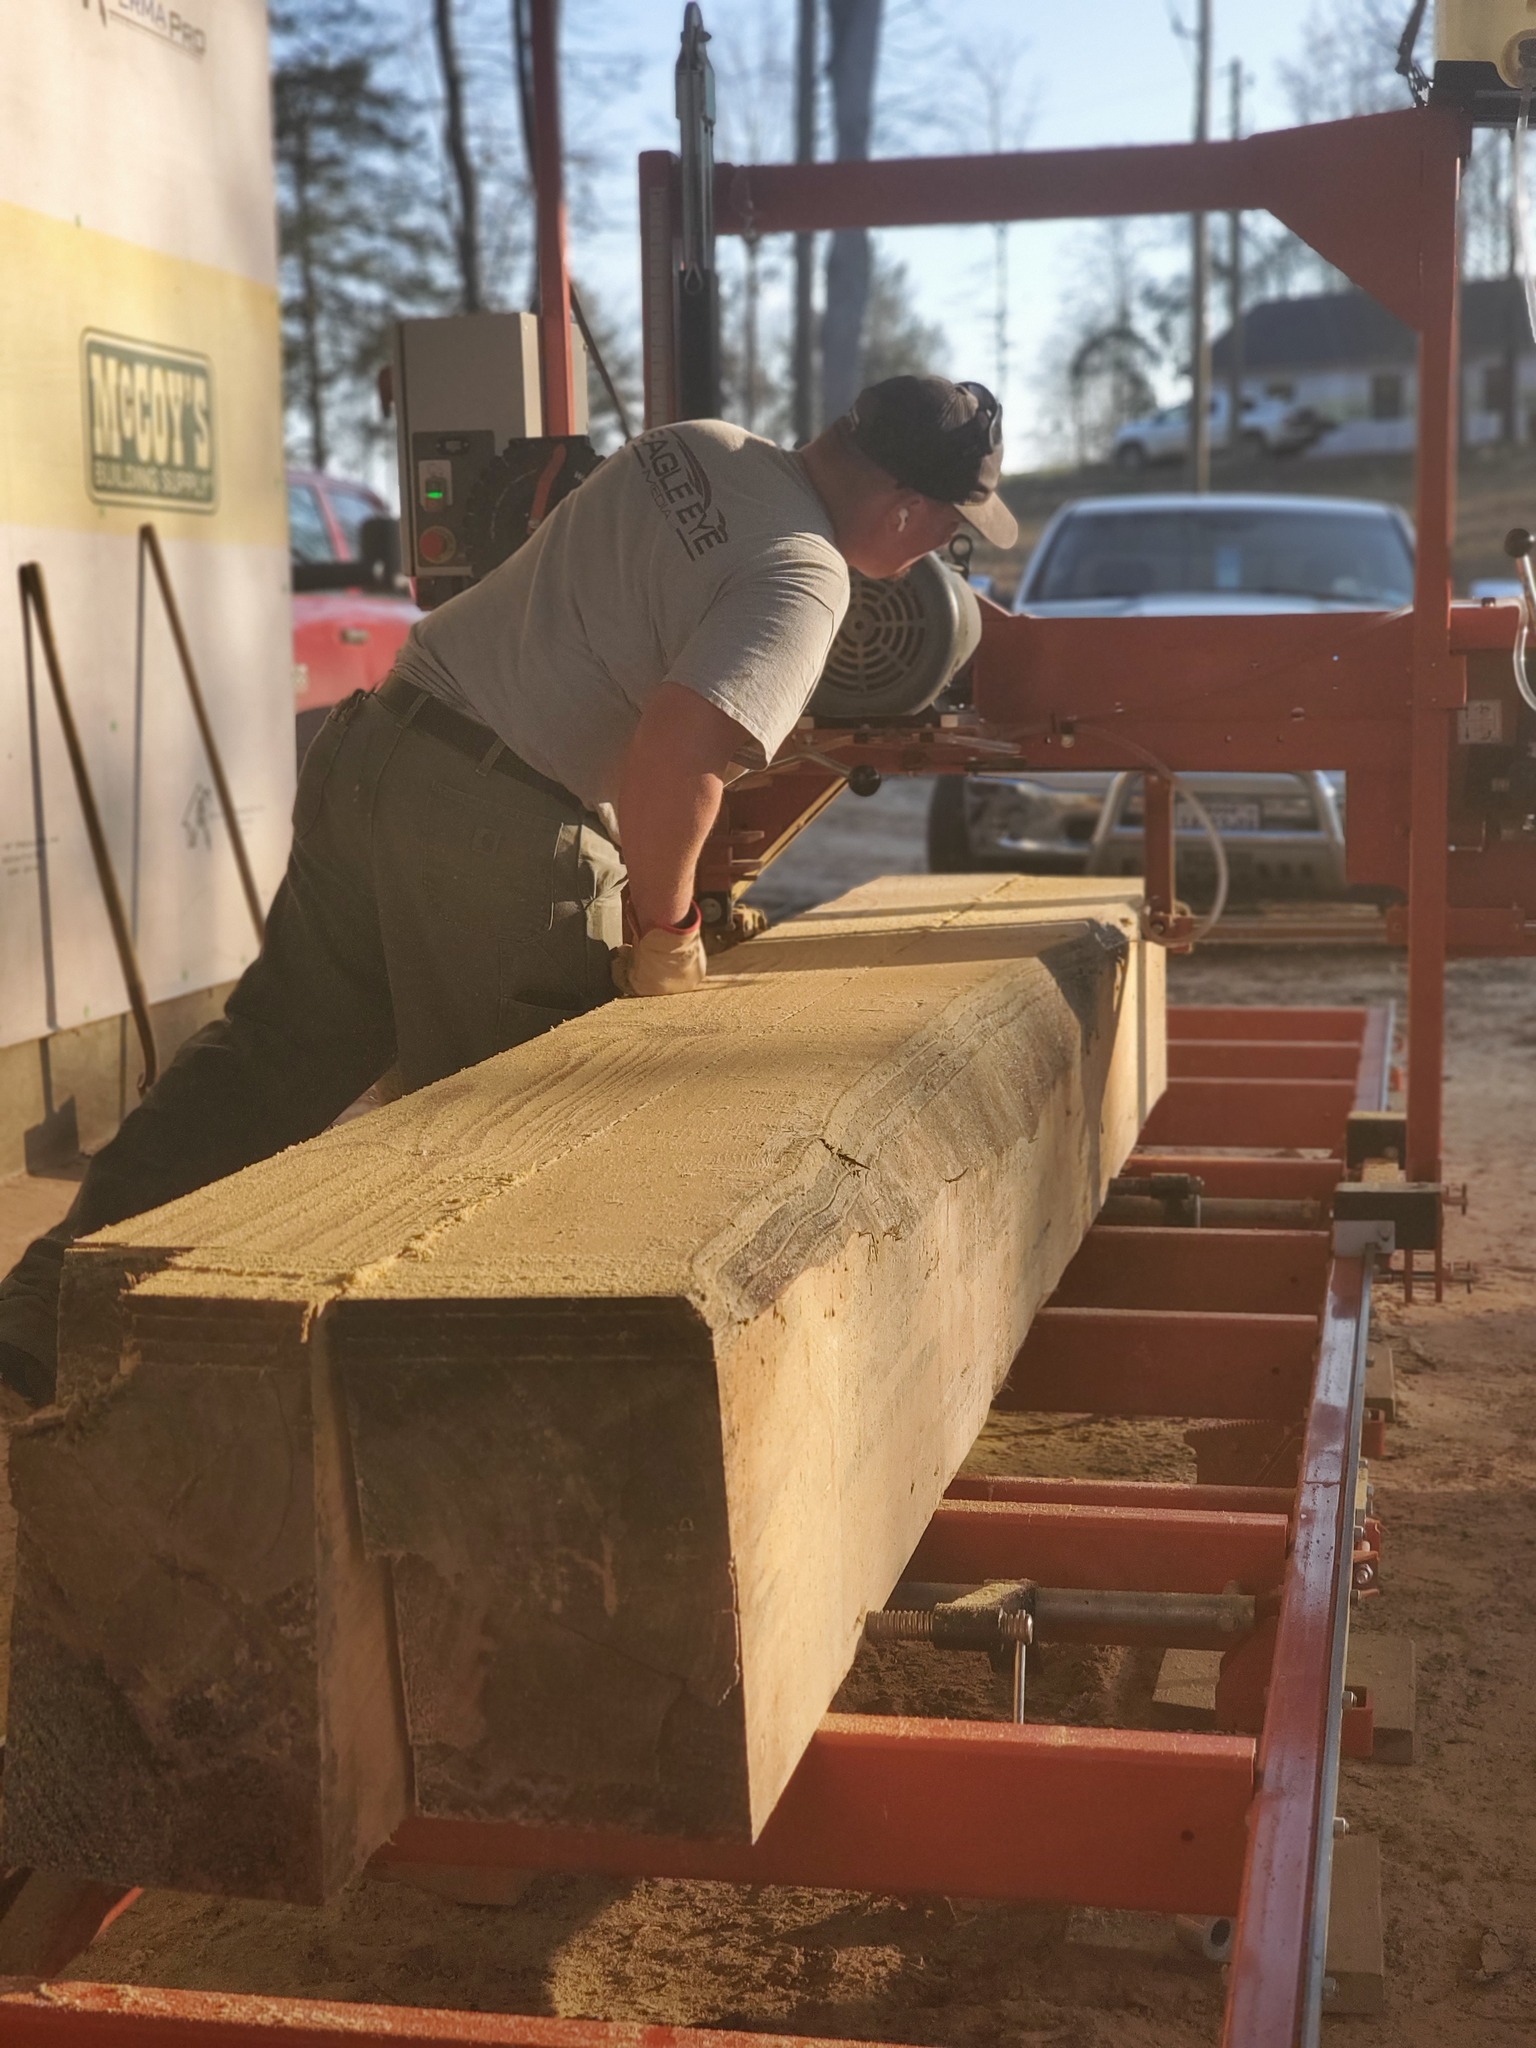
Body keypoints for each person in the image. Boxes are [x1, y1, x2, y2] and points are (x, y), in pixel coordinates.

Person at [0, 374, 1016, 1410]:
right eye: (945, 526)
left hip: (379, 749)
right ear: (901, 507)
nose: (938, 548)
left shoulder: (699, 443)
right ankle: (464, 1434)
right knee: (514, 1157)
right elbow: (679, 761)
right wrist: (666, 931)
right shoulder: (806, 576)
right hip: (496, 827)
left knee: (265, 1061)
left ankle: (38, 1316)